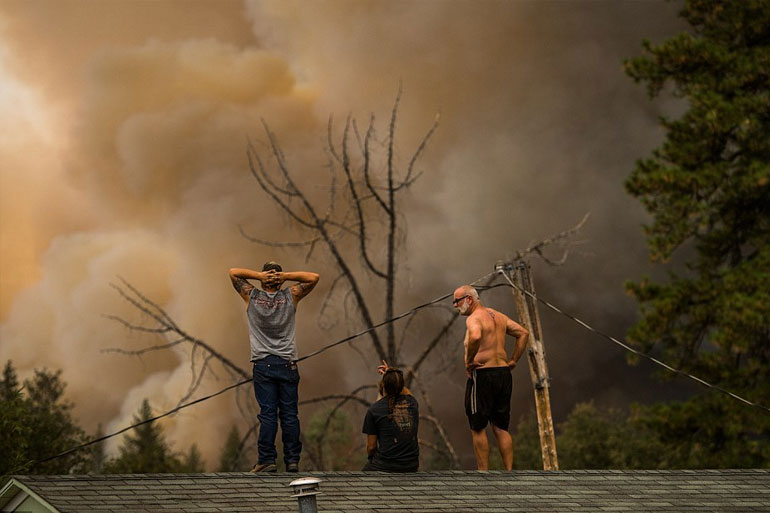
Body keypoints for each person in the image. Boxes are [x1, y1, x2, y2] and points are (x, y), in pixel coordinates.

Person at [229, 261, 319, 473]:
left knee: (268, 414)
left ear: (264, 279)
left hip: (263, 364)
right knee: (290, 415)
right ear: (279, 281)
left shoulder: (252, 296)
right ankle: (292, 461)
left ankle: (267, 459)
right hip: (287, 364)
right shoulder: (291, 296)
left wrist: (259, 276)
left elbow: (233, 272)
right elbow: (313, 277)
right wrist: (285, 276)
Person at [453, 285, 528, 471]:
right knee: (501, 427)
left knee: (478, 426)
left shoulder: (474, 318)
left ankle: (483, 474)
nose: (455, 305)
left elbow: (476, 337)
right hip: (503, 373)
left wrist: (469, 361)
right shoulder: (498, 316)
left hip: (483, 374)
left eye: (457, 301)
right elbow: (523, 333)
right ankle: (509, 471)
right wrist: (513, 360)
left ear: (469, 299)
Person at [361, 361, 419, 472]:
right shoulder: (413, 403)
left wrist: (387, 378)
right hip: (411, 465)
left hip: (384, 466)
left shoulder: (374, 410)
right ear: (401, 385)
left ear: (384, 386)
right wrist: (393, 377)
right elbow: (405, 391)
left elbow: (371, 447)